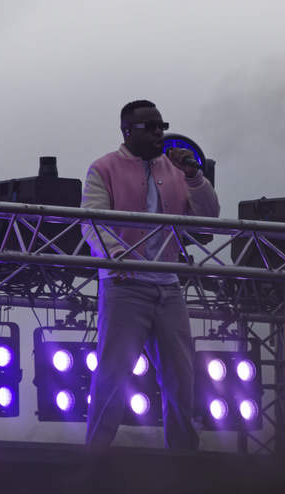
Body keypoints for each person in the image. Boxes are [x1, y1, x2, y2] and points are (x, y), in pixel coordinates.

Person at [80, 99, 219, 449]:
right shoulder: (103, 168)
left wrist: (194, 175)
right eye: (151, 127)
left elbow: (208, 218)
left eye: (162, 126)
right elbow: (92, 222)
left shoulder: (176, 170)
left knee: (182, 376)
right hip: (124, 286)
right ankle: (94, 455)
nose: (159, 133)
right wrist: (116, 257)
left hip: (168, 286)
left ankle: (183, 457)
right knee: (113, 374)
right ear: (127, 131)